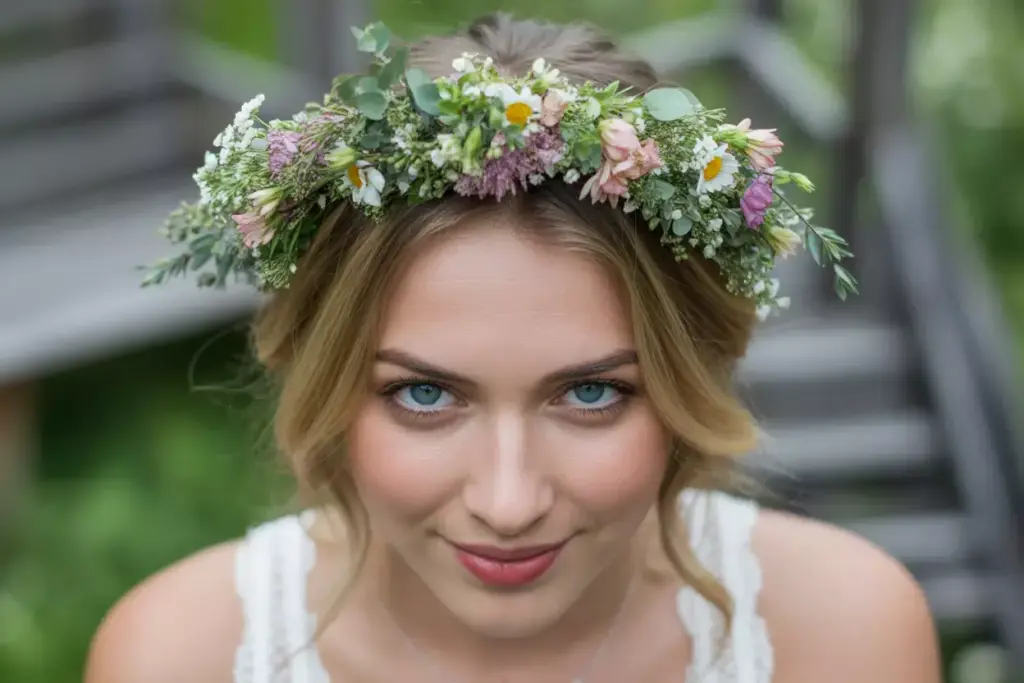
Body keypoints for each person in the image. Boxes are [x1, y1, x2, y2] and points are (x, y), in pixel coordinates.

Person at [86, 13, 940, 683]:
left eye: (591, 393)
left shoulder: (848, 635)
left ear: (691, 377)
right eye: (424, 395)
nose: (507, 501)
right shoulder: (177, 655)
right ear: (326, 377)